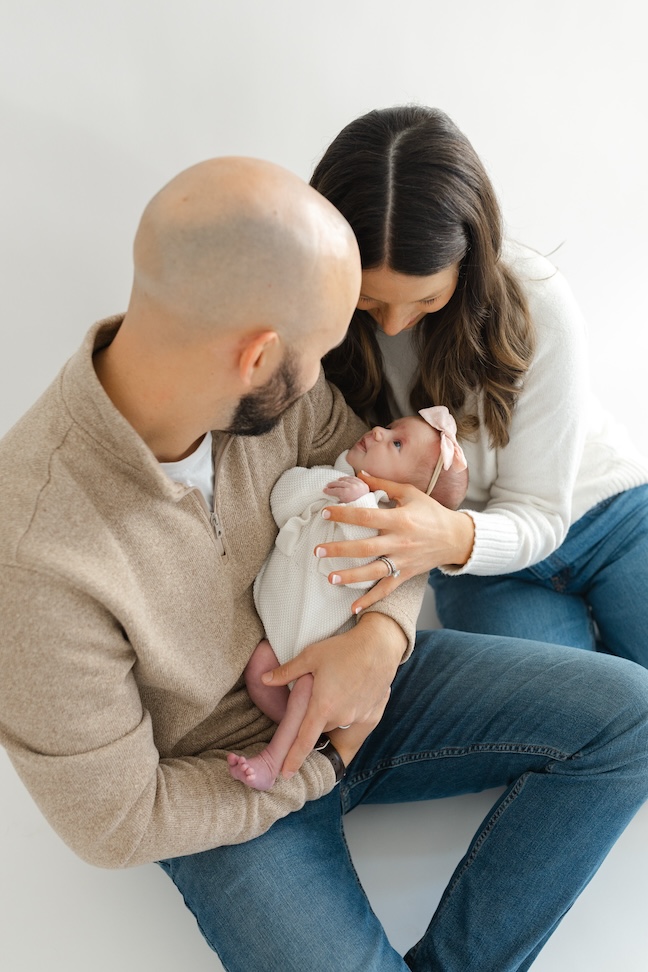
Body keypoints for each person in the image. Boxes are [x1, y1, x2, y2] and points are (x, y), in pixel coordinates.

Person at [1, 156, 648, 972]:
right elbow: (118, 819)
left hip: (370, 686)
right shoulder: (31, 551)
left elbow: (390, 512)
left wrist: (380, 641)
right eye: (325, 349)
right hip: (230, 785)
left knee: (632, 716)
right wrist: (319, 766)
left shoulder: (282, 396)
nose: (340, 371)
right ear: (258, 354)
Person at [309, 105, 648, 664]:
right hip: (480, 572)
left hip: (608, 516)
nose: (392, 324)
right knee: (558, 731)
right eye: (369, 300)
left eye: (424, 299)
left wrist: (448, 537)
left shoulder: (539, 302)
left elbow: (540, 509)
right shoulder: (323, 324)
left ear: (469, 259)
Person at [229, 407, 468, 790]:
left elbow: (355, 558)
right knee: (260, 670)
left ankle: (275, 759)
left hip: (322, 655)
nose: (375, 431)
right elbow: (282, 498)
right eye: (388, 427)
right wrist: (328, 485)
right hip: (278, 636)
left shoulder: (378, 530)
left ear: (404, 496)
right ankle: (307, 731)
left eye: (396, 443)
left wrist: (359, 505)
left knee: (308, 688)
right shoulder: (329, 478)